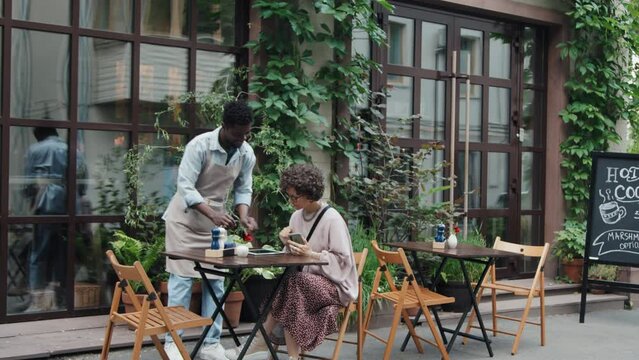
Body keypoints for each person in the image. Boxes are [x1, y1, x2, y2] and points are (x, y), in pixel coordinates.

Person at [231, 164, 358, 360]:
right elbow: (294, 260)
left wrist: (312, 254)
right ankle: (291, 356)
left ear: (310, 194)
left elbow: (343, 263)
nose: (291, 201)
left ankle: (260, 340)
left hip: (336, 286)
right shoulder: (296, 217)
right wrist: (286, 244)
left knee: (293, 283)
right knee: (292, 286)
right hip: (303, 284)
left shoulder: (333, 219)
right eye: (288, 196)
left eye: (295, 197)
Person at [163, 100, 258, 360]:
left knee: (215, 283)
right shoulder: (200, 145)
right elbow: (186, 186)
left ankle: (210, 344)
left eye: (247, 133)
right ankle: (173, 342)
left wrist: (244, 217)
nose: (243, 138)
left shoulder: (246, 152)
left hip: (214, 225)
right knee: (181, 282)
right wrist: (214, 214)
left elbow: (243, 188)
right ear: (225, 126)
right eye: (238, 133)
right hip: (184, 220)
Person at [24, 126, 87, 312]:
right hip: (69, 207)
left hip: (45, 205)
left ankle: (37, 301)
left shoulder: (35, 149)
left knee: (38, 253)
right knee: (63, 253)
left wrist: (29, 198)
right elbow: (83, 179)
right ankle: (61, 299)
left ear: (38, 135)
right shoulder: (72, 150)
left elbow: (27, 181)